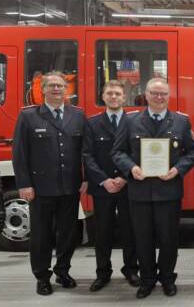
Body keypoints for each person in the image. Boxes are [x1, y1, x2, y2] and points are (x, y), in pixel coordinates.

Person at [112, 77, 194, 299]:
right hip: (139, 192)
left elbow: (193, 152)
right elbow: (117, 152)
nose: (159, 97)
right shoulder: (130, 120)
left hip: (169, 191)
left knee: (169, 239)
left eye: (163, 94)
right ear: (146, 95)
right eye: (155, 93)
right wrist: (131, 168)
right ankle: (148, 280)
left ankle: (168, 279)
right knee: (142, 238)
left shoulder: (181, 122)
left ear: (168, 96)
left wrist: (178, 169)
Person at [12, 71, 87, 296]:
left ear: (67, 90)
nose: (56, 89)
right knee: (41, 235)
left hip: (70, 187)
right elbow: (20, 154)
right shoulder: (29, 116)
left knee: (68, 233)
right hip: (41, 188)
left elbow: (86, 151)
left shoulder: (77, 115)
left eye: (60, 86)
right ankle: (42, 277)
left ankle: (62, 271)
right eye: (52, 86)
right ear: (42, 89)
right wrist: (24, 184)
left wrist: (85, 178)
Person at [82, 80, 140, 292]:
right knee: (102, 232)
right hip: (103, 187)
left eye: (118, 93)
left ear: (124, 97)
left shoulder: (135, 121)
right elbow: (87, 155)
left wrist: (125, 177)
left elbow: (137, 152)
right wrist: (104, 180)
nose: (114, 97)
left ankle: (131, 269)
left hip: (129, 185)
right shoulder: (92, 123)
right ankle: (102, 272)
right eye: (110, 93)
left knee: (130, 230)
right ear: (103, 96)